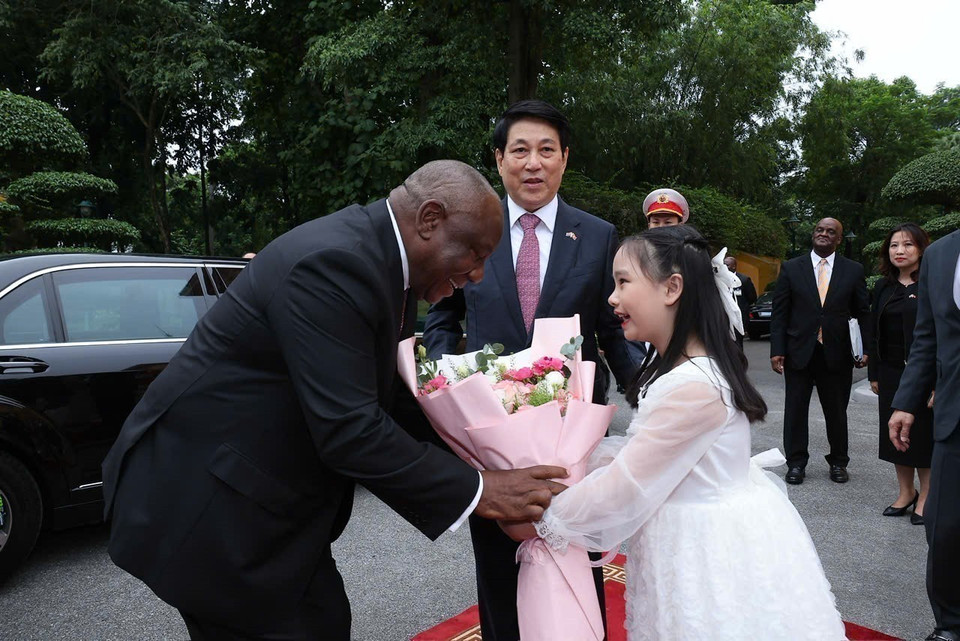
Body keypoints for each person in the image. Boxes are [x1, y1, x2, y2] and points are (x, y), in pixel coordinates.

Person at [100, 160, 568, 641]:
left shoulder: (377, 259)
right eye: (475, 252)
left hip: (264, 505)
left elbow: (385, 395)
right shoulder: (335, 263)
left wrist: (491, 450)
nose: (478, 273)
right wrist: (480, 489)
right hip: (211, 513)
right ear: (429, 219)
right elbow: (350, 429)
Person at [505, 225, 847, 640]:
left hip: (702, 551)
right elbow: (642, 454)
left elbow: (625, 486)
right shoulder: (688, 369)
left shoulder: (692, 385)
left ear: (672, 288)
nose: (612, 298)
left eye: (623, 282)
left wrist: (544, 522)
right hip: (697, 530)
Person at [423, 100, 642, 641]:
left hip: (573, 439)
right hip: (490, 438)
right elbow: (442, 315)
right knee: (499, 570)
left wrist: (654, 389)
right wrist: (441, 383)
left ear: (565, 159)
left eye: (547, 150)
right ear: (499, 160)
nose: (533, 162)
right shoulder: (473, 230)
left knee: (579, 559)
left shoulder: (596, 235)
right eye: (519, 150)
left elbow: (614, 329)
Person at [889, 229, 960, 641]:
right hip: (954, 416)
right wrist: (906, 401)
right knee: (944, 525)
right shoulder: (942, 254)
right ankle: (950, 624)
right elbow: (927, 338)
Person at [770, 217, 870, 485]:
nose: (824, 234)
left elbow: (862, 313)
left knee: (837, 412)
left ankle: (838, 462)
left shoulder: (853, 270)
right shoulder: (792, 268)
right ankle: (796, 463)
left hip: (837, 353)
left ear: (839, 239)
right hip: (798, 352)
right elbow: (780, 313)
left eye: (831, 231)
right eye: (820, 229)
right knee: (795, 411)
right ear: (813, 234)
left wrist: (865, 349)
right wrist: (777, 349)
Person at [868, 223, 933, 524]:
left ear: (921, 248)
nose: (900, 251)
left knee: (924, 435)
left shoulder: (932, 283)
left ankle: (927, 496)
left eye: (907, 245)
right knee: (895, 437)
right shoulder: (883, 286)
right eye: (894, 245)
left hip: (926, 375)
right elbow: (874, 332)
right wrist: (874, 373)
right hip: (891, 373)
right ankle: (906, 492)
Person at [724, 254, 758, 350]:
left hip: (739, 317)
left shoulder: (744, 280)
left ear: (734, 266)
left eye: (727, 265)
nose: (724, 267)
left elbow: (752, 298)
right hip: (724, 317)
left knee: (737, 343)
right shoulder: (720, 279)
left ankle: (739, 363)